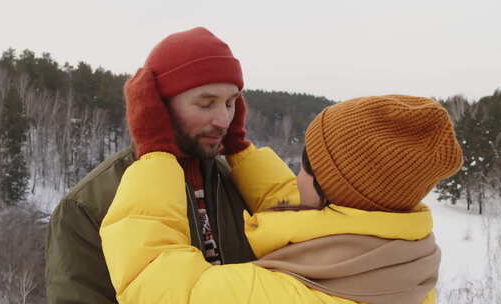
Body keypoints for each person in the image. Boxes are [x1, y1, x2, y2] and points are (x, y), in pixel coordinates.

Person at [100, 95, 463, 303]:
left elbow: (151, 275)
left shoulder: (278, 295)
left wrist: (156, 153)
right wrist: (241, 151)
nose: (295, 177)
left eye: (305, 166)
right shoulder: (406, 273)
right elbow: (303, 213)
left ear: (332, 191)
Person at [45, 27, 277, 304]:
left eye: (230, 104)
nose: (223, 119)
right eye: (206, 104)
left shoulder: (244, 188)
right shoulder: (87, 205)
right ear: (158, 105)